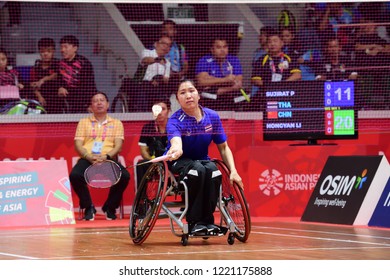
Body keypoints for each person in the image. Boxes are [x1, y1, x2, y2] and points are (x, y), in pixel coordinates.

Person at [165, 79, 243, 236]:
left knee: (214, 171)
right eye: (183, 92)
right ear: (177, 99)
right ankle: (195, 222)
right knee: (198, 170)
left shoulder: (212, 117)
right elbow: (175, 141)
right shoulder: (174, 121)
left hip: (202, 159)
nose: (188, 95)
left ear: (198, 95)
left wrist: (233, 171)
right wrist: (177, 148)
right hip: (179, 160)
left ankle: (208, 222)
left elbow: (223, 147)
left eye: (191, 91)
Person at [69, 92, 130, 221]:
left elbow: (118, 145)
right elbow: (78, 144)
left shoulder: (117, 123)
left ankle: (110, 207)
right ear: (91, 106)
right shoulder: (83, 122)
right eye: (95, 101)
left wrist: (107, 156)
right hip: (88, 158)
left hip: (107, 160)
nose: (99, 103)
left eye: (102, 100)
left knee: (124, 176)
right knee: (75, 175)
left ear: (107, 104)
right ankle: (88, 207)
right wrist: (88, 156)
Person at [195, 37, 245, 111]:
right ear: (212, 50)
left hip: (230, 99)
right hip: (210, 101)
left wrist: (212, 82)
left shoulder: (234, 60)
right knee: (207, 94)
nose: (222, 50)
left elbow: (238, 83)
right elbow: (201, 82)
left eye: (225, 47)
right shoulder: (204, 60)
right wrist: (226, 80)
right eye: (218, 47)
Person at [58, 35, 97, 113]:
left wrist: (89, 104)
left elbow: (90, 85)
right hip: (66, 97)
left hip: (81, 98)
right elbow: (59, 79)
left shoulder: (84, 63)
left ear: (75, 48)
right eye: (61, 47)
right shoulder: (60, 64)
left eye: (65, 47)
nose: (62, 50)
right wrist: (60, 87)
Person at [136, 100, 169, 189]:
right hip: (153, 161)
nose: (160, 113)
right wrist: (154, 162)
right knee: (141, 165)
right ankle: (142, 199)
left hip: (171, 161)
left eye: (163, 109)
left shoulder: (174, 125)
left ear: (169, 111)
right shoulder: (148, 127)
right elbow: (143, 150)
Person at [134, 35, 172, 111]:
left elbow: (166, 79)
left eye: (168, 45)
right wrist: (157, 60)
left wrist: (159, 79)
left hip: (158, 87)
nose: (165, 47)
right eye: (163, 43)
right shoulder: (147, 52)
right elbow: (145, 60)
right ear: (156, 44)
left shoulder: (167, 62)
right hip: (143, 84)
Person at [30, 38, 61, 113]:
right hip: (40, 100)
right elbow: (32, 83)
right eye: (42, 51)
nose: (45, 54)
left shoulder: (59, 64)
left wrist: (43, 80)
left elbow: (56, 75)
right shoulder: (36, 67)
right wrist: (39, 97)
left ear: (54, 51)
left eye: (49, 51)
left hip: (56, 100)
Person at [161, 19, 188, 86]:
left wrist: (181, 73)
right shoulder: (156, 46)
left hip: (178, 79)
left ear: (175, 31)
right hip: (163, 79)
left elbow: (185, 63)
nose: (167, 31)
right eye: (165, 29)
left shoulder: (180, 47)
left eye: (170, 29)